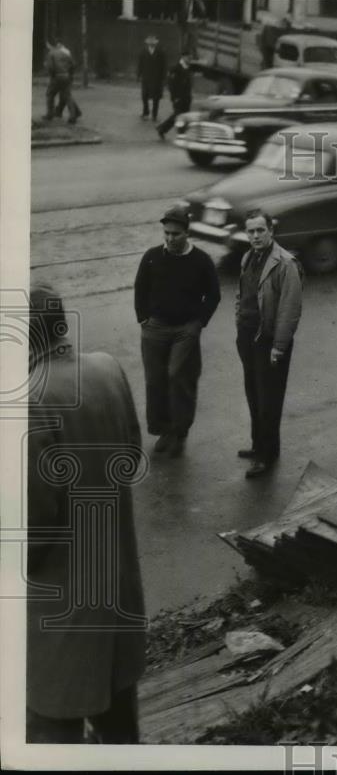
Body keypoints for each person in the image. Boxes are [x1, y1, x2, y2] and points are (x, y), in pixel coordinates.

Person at [26, 283, 147, 743]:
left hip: (60, 615)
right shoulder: (106, 368)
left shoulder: (29, 401)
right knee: (120, 727)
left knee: (51, 731)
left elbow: (31, 534)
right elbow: (131, 458)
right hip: (116, 597)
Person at [134, 205, 221, 456]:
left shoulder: (201, 261)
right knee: (155, 380)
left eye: (176, 234)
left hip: (186, 329)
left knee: (178, 377)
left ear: (187, 234)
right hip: (155, 328)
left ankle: (180, 431)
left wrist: (198, 324)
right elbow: (140, 288)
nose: (170, 239)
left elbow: (213, 295)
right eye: (167, 233)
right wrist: (143, 319)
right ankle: (164, 430)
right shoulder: (152, 256)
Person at [235, 209, 303, 478]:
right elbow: (241, 295)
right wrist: (238, 322)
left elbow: (290, 309)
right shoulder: (247, 257)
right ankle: (258, 446)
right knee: (253, 394)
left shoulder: (285, 264)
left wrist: (279, 346)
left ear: (271, 231)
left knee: (269, 401)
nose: (255, 235)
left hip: (270, 341)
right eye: (250, 231)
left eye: (260, 230)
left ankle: (267, 455)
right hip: (247, 338)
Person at [43, 37, 81, 124]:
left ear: (50, 45)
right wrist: (69, 75)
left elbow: (50, 67)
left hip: (57, 77)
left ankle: (50, 114)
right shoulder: (65, 54)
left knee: (50, 94)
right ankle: (73, 115)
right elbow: (73, 65)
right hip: (66, 76)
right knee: (67, 96)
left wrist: (52, 76)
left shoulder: (51, 54)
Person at [156, 53, 193, 139]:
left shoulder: (187, 67)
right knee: (177, 115)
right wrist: (174, 97)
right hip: (178, 98)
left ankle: (178, 132)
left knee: (184, 116)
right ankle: (163, 129)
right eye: (188, 58)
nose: (190, 60)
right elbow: (171, 85)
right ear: (183, 57)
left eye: (190, 58)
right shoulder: (175, 68)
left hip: (186, 98)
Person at [137, 34, 167, 121]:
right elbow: (140, 64)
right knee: (144, 96)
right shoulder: (143, 52)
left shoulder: (160, 52)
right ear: (147, 43)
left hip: (157, 78)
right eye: (150, 43)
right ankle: (145, 112)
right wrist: (139, 75)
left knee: (156, 97)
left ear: (155, 43)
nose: (151, 44)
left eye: (153, 43)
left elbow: (164, 65)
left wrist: (164, 77)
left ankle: (154, 114)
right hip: (146, 77)